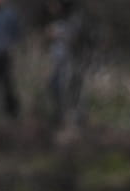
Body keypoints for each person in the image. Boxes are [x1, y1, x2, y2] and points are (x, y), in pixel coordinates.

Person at [43, 0, 86, 131]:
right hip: (58, 61)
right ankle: (62, 116)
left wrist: (58, 34)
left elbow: (74, 37)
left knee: (67, 89)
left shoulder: (73, 19)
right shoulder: (55, 20)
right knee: (55, 87)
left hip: (68, 61)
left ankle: (73, 117)